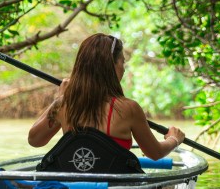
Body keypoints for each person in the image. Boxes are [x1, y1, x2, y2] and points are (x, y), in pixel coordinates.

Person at [28, 33, 185, 162]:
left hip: (75, 188)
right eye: (122, 62)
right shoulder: (129, 108)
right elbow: (155, 153)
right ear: (113, 66)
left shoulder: (64, 104)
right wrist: (174, 139)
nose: (123, 68)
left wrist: (61, 98)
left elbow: (35, 140)